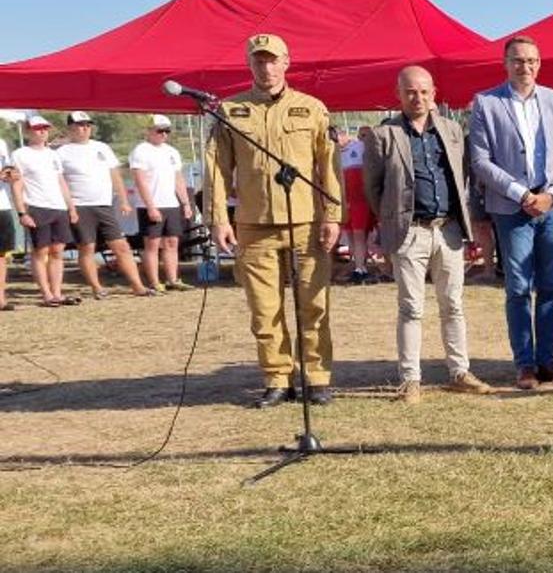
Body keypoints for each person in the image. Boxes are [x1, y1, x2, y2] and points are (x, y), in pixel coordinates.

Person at [206, 33, 343, 407]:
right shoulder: (230, 111)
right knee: (265, 309)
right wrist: (219, 219)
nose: (265, 67)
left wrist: (333, 215)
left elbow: (329, 167)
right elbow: (216, 169)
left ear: (287, 62)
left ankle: (317, 377)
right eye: (258, 60)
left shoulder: (312, 108)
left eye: (272, 60)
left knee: (314, 304)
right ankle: (277, 377)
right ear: (249, 65)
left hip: (306, 222)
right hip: (254, 224)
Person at [363, 66, 495, 403]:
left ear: (434, 92)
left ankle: (460, 372)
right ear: (398, 94)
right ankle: (410, 380)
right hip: (410, 232)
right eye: (410, 92)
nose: (417, 98)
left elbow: (461, 174)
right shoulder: (384, 135)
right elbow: (372, 187)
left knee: (453, 304)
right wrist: (389, 223)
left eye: (423, 91)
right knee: (411, 308)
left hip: (448, 229)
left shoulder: (452, 131)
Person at [467, 35, 553, 390]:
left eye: (531, 60)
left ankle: (547, 361)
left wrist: (552, 193)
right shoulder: (486, 103)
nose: (525, 66)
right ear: (505, 63)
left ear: (539, 63)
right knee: (518, 288)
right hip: (510, 207)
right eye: (517, 60)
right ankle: (525, 364)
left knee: (552, 286)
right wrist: (520, 194)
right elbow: (481, 161)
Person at [57, 112, 154, 299]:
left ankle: (138, 285)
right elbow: (59, 181)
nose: (85, 128)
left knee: (121, 246)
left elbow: (115, 175)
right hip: (80, 205)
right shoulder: (62, 152)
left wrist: (124, 200)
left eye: (87, 125)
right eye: (80, 125)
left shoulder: (101, 147)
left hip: (104, 204)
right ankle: (97, 287)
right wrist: (70, 208)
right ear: (70, 127)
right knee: (87, 248)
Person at [8, 116, 75, 307]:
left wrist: (70, 206)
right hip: (37, 206)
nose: (42, 131)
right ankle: (46, 294)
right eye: (37, 128)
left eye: (45, 128)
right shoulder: (20, 154)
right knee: (41, 251)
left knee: (58, 251)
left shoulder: (53, 154)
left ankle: (57, 292)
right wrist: (22, 212)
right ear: (29, 131)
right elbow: (16, 184)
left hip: (58, 207)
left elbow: (61, 181)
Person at [128, 114, 196, 294]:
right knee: (152, 244)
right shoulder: (141, 151)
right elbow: (140, 181)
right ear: (149, 131)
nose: (164, 134)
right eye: (160, 130)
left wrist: (186, 203)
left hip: (171, 204)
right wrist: (150, 207)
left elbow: (178, 179)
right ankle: (154, 281)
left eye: (167, 131)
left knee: (172, 242)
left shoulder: (172, 152)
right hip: (150, 204)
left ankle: (173, 279)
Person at [337, 124, 377, 284]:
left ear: (343, 134)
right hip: (345, 201)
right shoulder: (334, 153)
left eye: (336, 136)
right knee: (351, 236)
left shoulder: (359, 147)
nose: (335, 140)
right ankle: (358, 266)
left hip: (360, 201)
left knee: (359, 234)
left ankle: (361, 268)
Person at [0, 134, 15, 311]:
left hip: (2, 205)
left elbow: (8, 170)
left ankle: (1, 299)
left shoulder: (2, 142)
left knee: (1, 255)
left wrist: (11, 174)